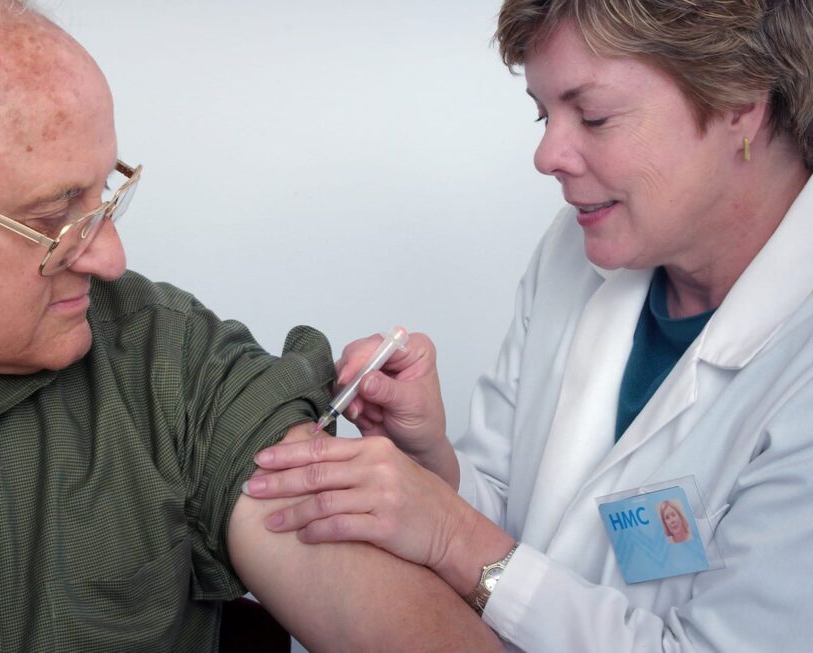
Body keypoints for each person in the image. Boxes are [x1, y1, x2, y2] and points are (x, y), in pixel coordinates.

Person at [0, 1, 501, 651]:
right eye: (55, 218)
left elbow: (381, 613)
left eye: (106, 191)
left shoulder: (166, 360)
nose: (111, 258)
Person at [243, 0, 813, 650]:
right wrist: (436, 466)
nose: (546, 155)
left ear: (742, 97)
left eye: (592, 116)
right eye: (545, 115)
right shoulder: (578, 251)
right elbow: (523, 528)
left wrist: (451, 533)